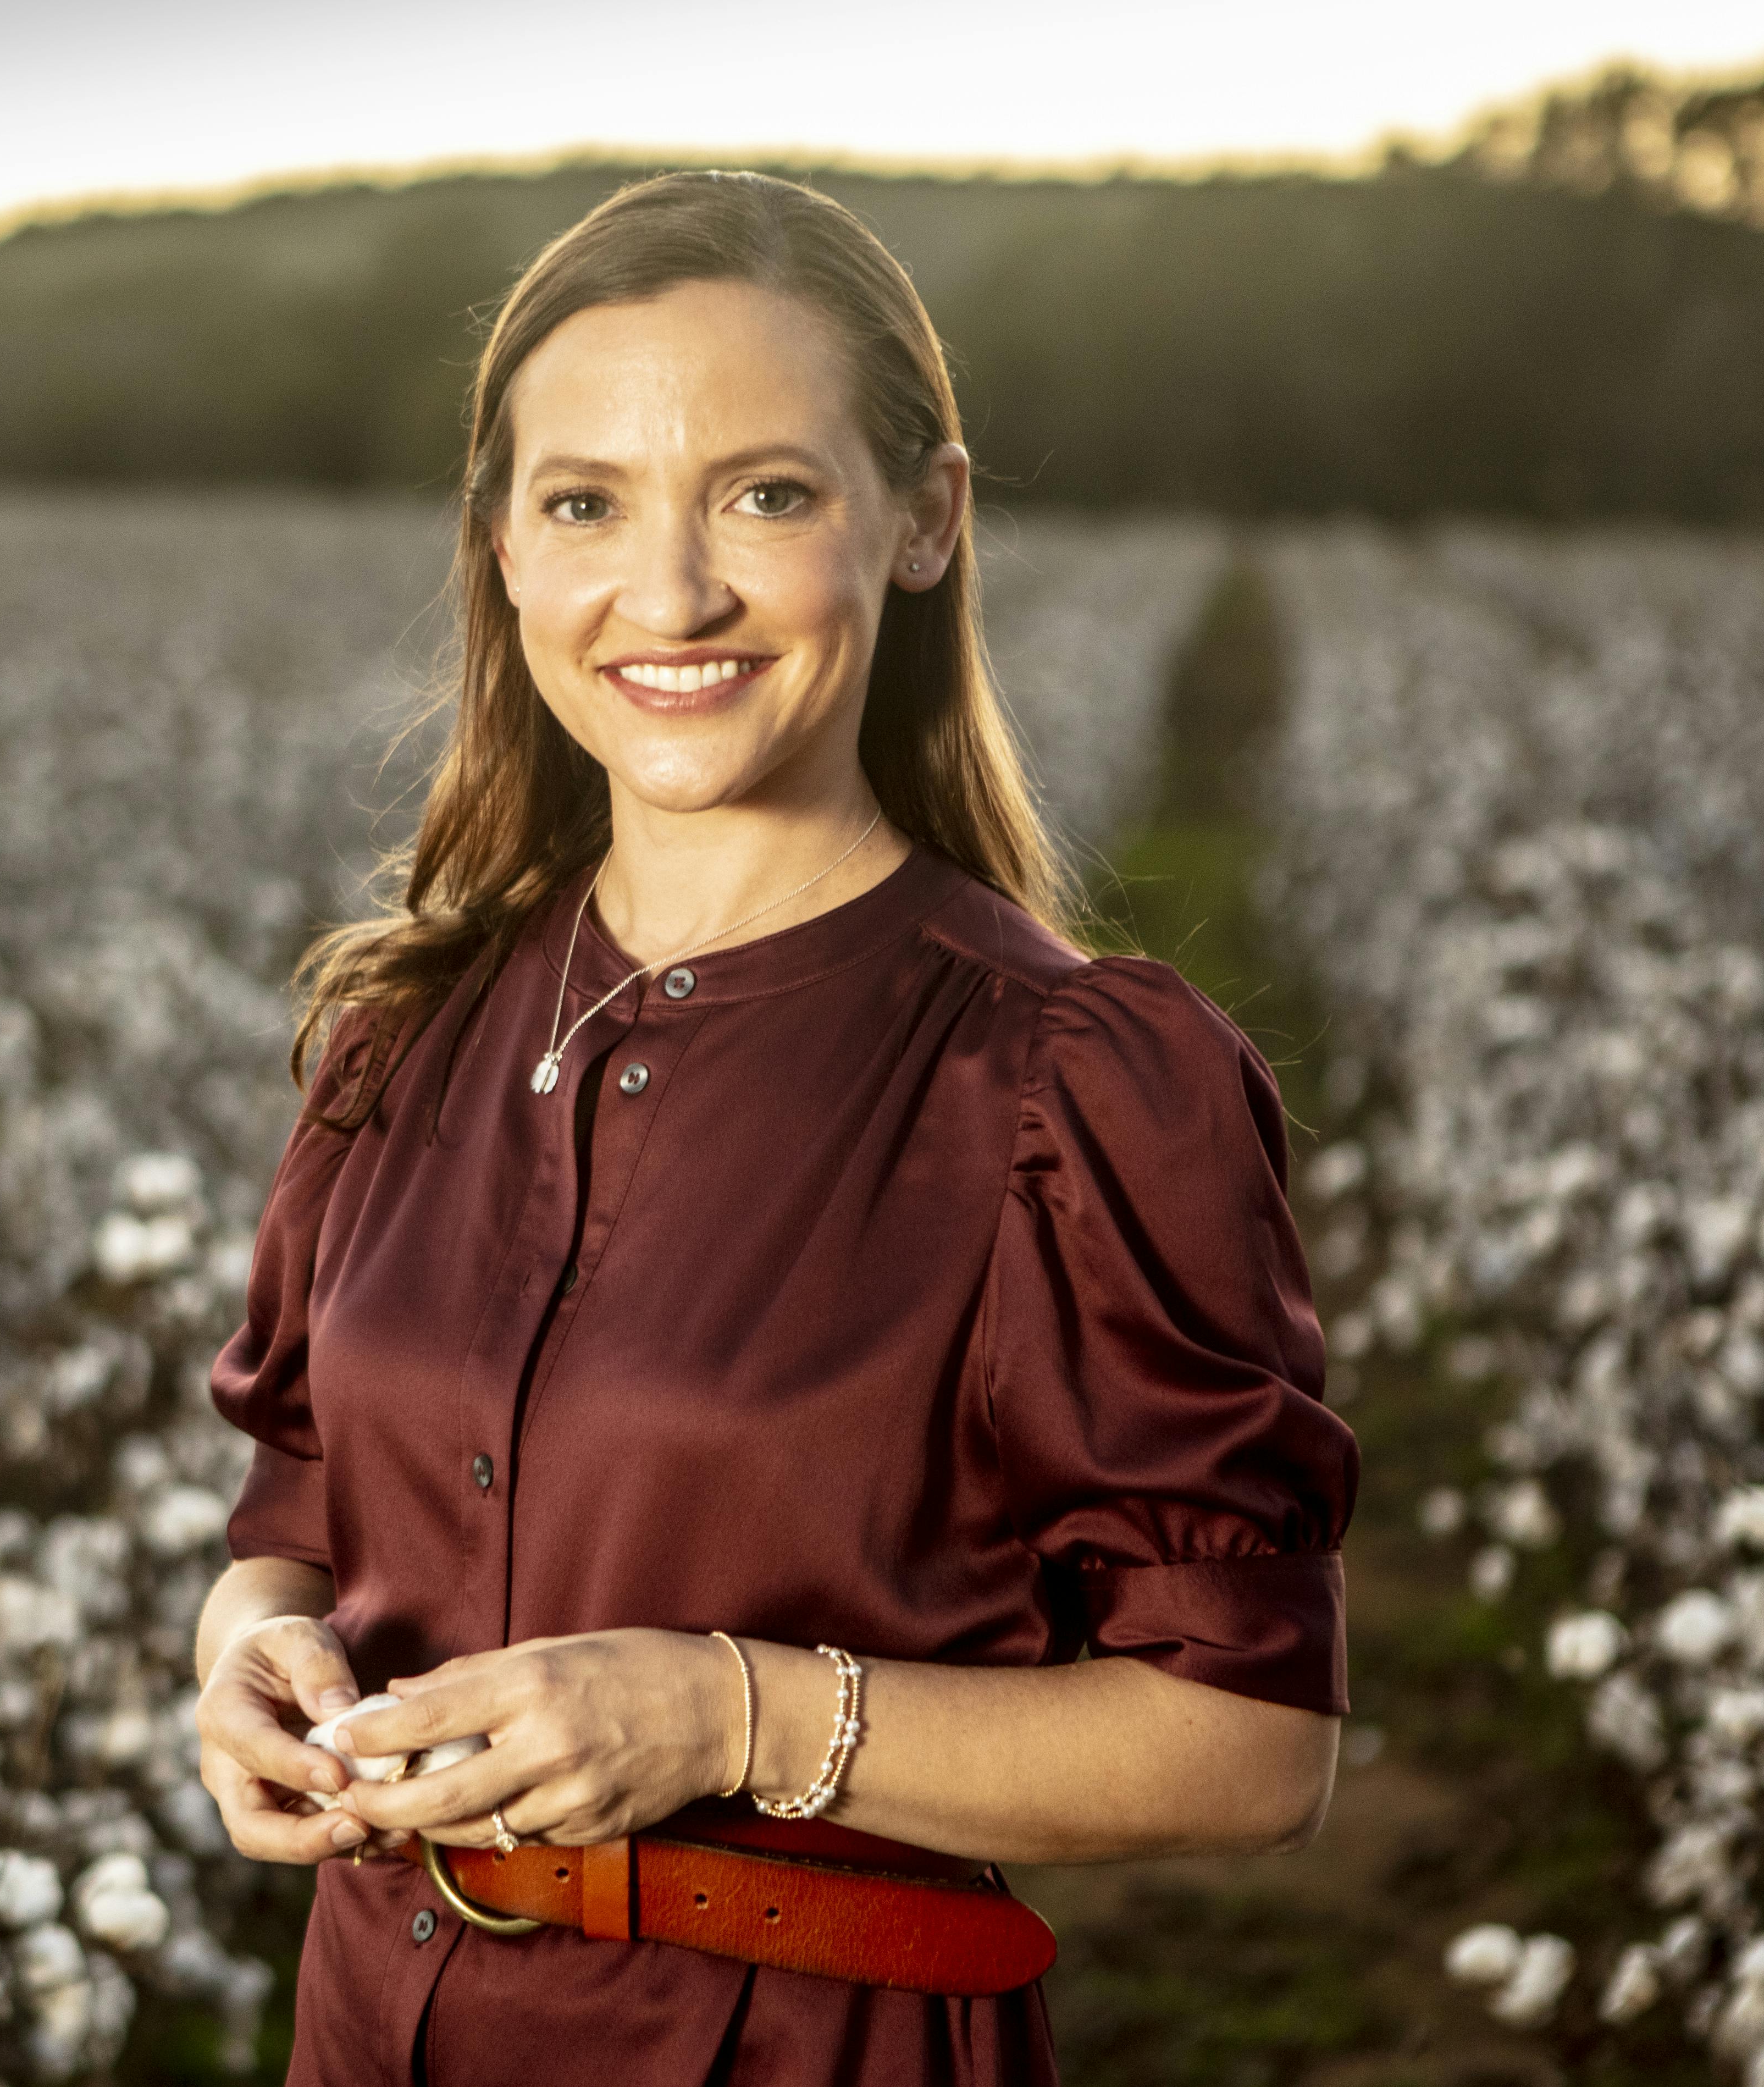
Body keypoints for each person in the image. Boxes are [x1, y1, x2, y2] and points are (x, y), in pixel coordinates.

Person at [190, 169, 1357, 2087]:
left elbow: (1253, 1746)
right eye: (587, 504)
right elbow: (299, 1520)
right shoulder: (400, 1034)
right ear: (500, 545)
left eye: (765, 492)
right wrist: (241, 1662)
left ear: (922, 519)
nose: (670, 597)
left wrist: (722, 1715)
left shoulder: (1066, 1083)